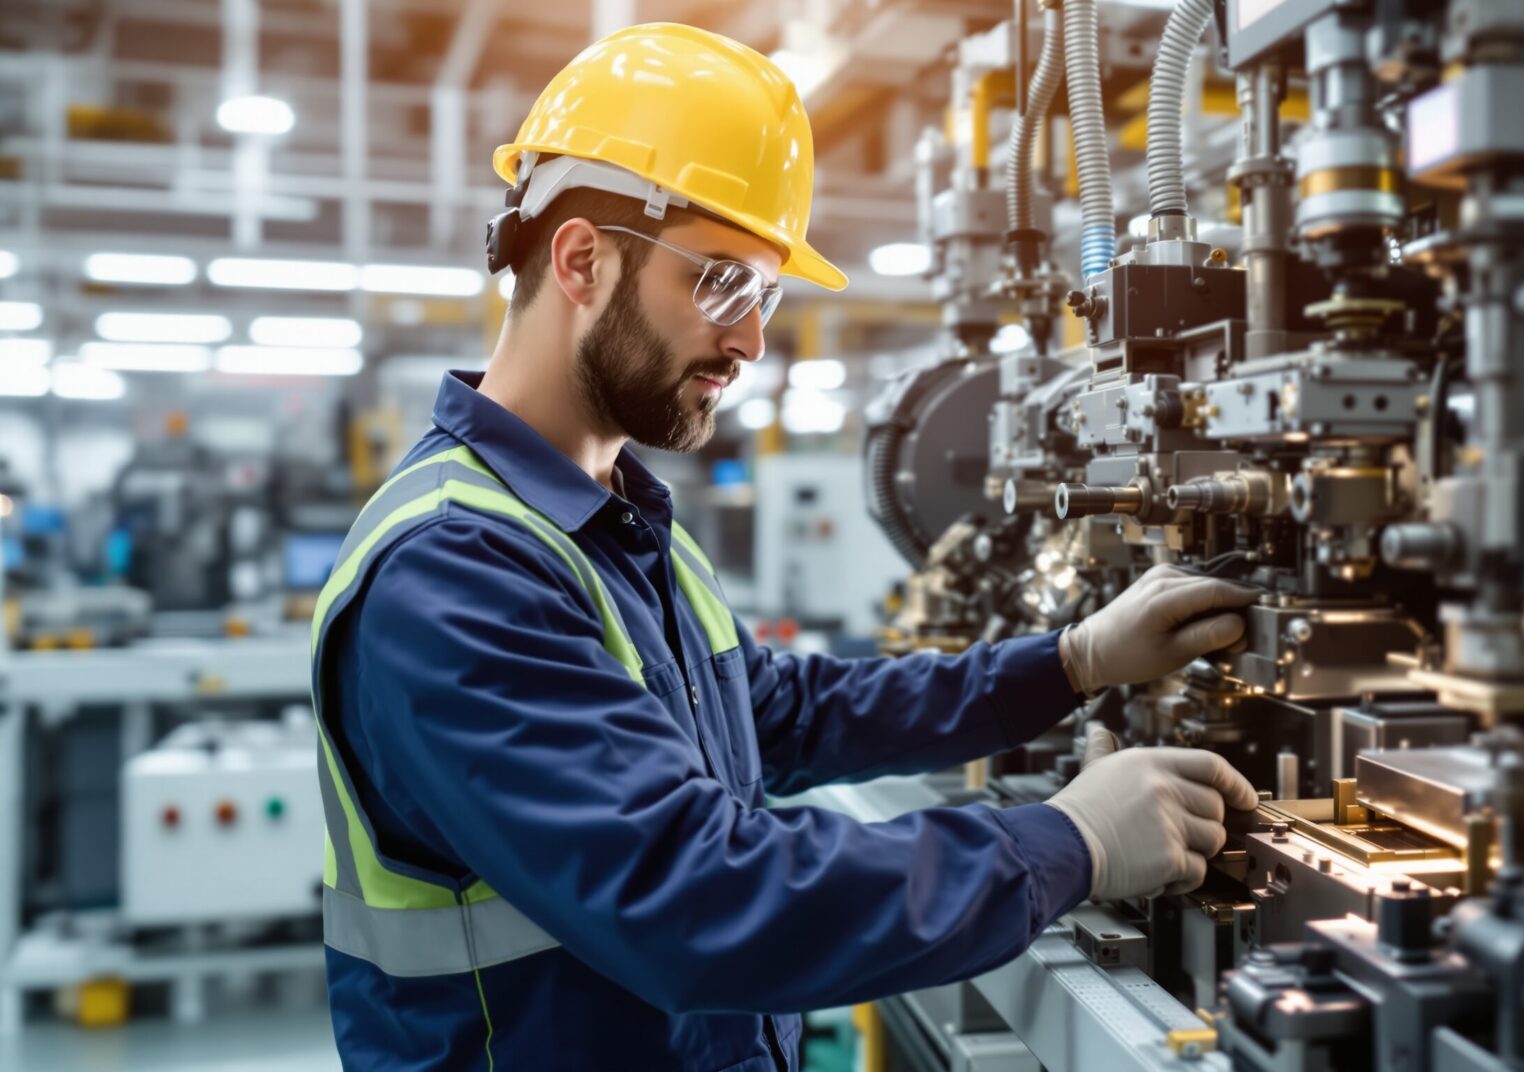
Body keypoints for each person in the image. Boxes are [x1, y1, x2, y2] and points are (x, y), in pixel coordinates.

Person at [310, 23, 1259, 1071]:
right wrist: (1064, 844)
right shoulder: (452, 572)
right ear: (580, 259)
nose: (752, 340)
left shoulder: (614, 522)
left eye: (765, 295)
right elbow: (693, 901)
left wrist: (1070, 662)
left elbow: (786, 713)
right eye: (721, 283)